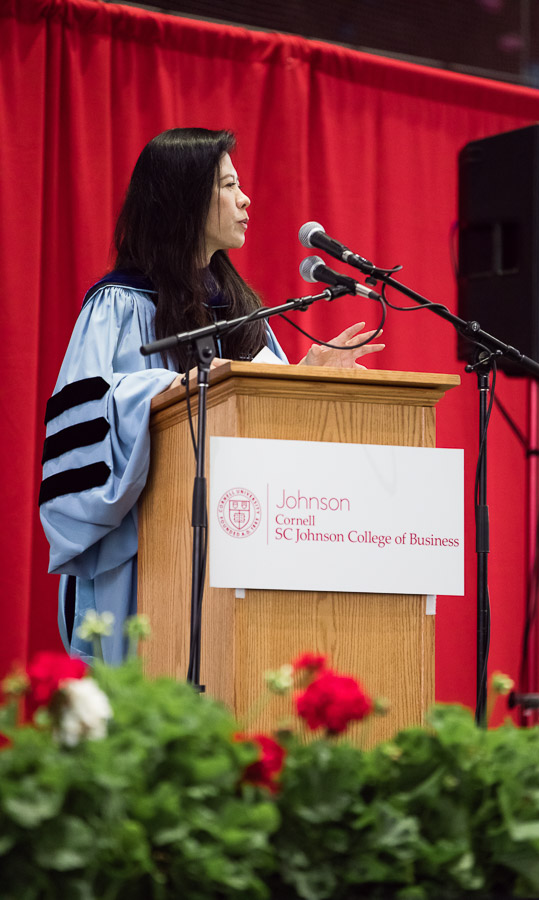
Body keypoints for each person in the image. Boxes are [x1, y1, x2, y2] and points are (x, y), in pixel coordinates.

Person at [39, 127, 384, 663]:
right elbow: (87, 419)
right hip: (148, 557)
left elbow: (250, 412)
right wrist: (177, 388)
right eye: (228, 185)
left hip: (240, 547)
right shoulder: (119, 305)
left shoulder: (242, 310)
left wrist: (304, 374)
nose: (245, 199)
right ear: (184, 198)